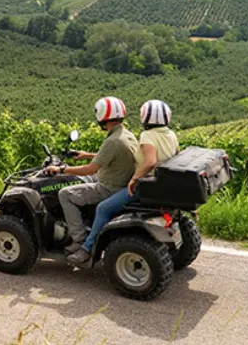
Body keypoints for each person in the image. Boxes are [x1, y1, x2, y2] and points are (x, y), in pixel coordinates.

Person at [66, 99, 179, 265]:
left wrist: (134, 179)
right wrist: (90, 155)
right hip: (160, 184)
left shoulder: (147, 136)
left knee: (103, 208)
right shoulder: (170, 135)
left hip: (144, 185)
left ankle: (86, 248)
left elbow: (150, 161)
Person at [44, 96, 138, 259]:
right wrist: (87, 155)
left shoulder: (112, 141)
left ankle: (79, 239)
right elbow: (113, 156)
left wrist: (61, 169)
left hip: (108, 188)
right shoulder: (127, 135)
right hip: (120, 181)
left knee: (65, 194)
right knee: (83, 182)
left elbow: (89, 169)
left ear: (102, 116)